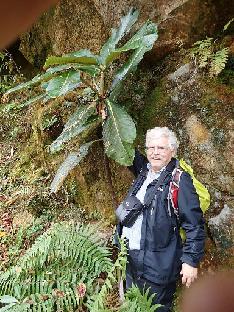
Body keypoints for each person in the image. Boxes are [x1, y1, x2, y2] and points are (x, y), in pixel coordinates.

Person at [116, 127, 206, 312]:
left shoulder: (180, 181)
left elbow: (195, 225)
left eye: (161, 148)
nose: (155, 152)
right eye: (151, 148)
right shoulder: (144, 170)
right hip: (131, 261)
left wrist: (190, 261)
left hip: (157, 266)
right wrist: (108, 119)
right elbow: (125, 150)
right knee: (134, 306)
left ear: (172, 150)